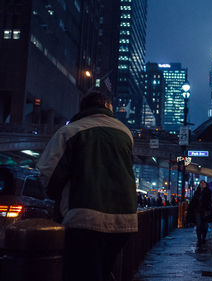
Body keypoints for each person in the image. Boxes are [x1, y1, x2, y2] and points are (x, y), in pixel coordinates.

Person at [37, 91, 138, 281]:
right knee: (103, 268)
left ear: (83, 109)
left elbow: (48, 173)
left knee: (82, 271)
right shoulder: (125, 133)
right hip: (125, 219)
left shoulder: (70, 131)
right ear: (108, 108)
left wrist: (57, 197)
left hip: (84, 217)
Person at [188, 180, 212, 244]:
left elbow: (208, 200)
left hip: (205, 211)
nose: (202, 184)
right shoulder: (197, 192)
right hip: (197, 210)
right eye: (201, 183)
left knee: (205, 225)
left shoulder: (208, 192)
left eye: (203, 183)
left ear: (206, 185)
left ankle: (203, 237)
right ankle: (199, 239)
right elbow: (193, 201)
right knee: (198, 225)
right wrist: (189, 209)